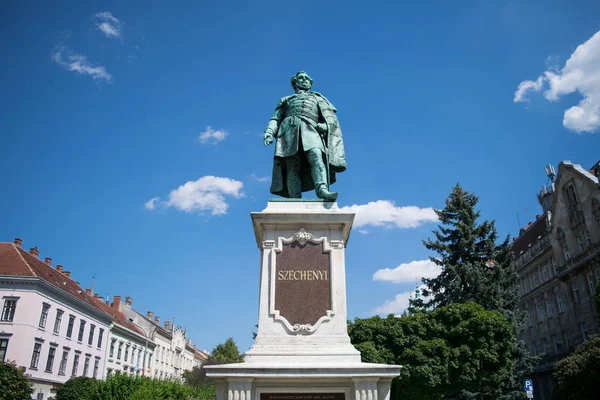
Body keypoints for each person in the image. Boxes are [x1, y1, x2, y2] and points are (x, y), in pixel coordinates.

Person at [263, 71, 347, 200]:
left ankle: (322, 190)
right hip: (288, 131)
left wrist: (324, 127)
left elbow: (330, 120)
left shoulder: (319, 98)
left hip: (311, 130)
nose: (305, 80)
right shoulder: (286, 100)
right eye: (301, 78)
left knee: (317, 157)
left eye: (307, 79)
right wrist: (269, 132)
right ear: (295, 82)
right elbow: (275, 119)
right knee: (291, 166)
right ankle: (294, 197)